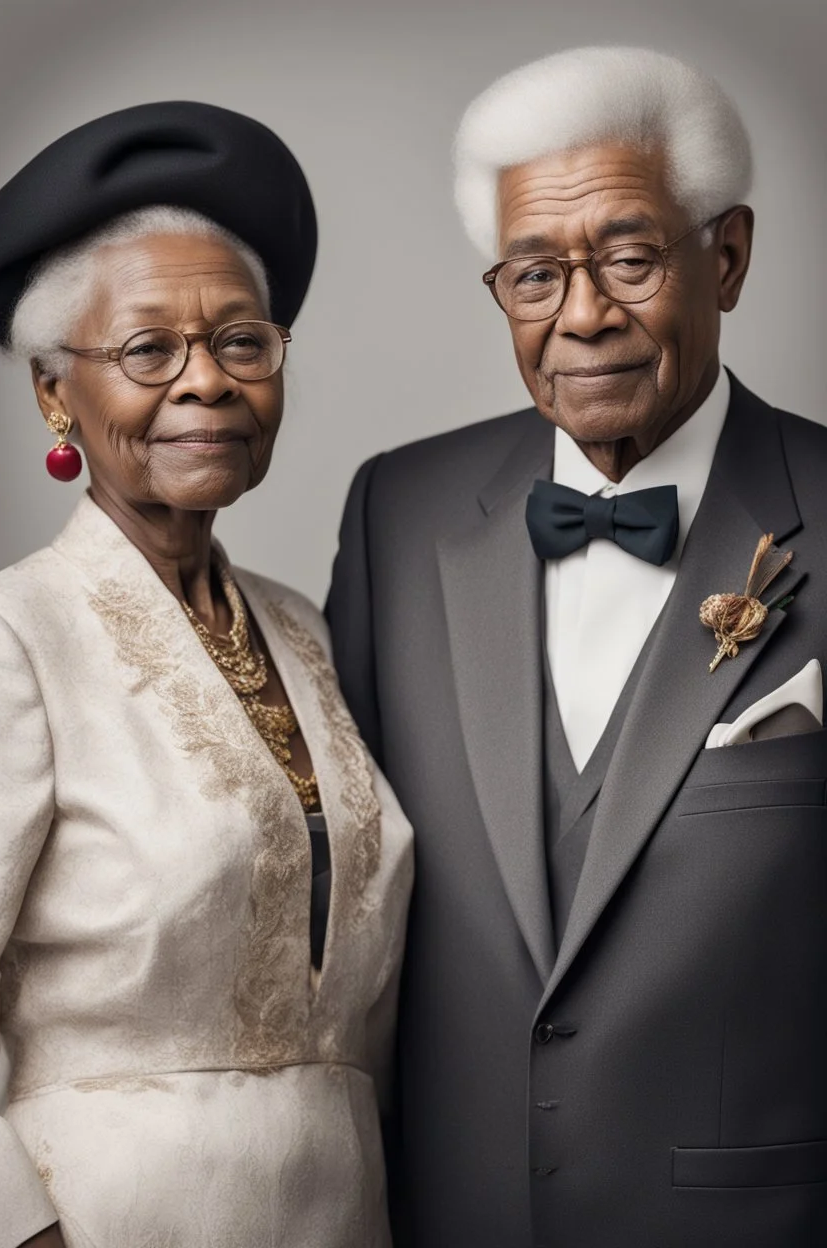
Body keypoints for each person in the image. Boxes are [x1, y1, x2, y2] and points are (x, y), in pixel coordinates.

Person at [327, 45, 827, 1248]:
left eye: (630, 258)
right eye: (534, 274)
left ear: (730, 255)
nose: (582, 314)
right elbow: (340, 898)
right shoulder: (398, 510)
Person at [0, 101, 412, 1248]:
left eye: (241, 340)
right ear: (52, 392)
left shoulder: (303, 629)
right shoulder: (16, 635)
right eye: (146, 350)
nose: (208, 382)